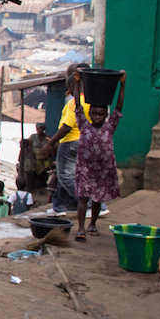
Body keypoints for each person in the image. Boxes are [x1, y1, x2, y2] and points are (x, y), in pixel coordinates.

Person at [73, 69, 126, 241]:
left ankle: (93, 223)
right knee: (82, 199)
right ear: (89, 114)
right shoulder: (84, 125)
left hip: (102, 171)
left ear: (105, 115)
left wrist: (122, 85)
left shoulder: (110, 126)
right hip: (85, 170)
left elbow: (118, 106)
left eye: (101, 114)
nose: (97, 116)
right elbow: (77, 105)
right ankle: (80, 228)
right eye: (94, 113)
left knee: (97, 200)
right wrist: (77, 82)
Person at [45, 63, 90, 213]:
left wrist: (51, 142)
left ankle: (90, 203)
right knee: (65, 174)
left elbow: (67, 126)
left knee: (65, 176)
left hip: (70, 142)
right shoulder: (90, 100)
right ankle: (59, 206)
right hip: (83, 141)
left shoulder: (74, 103)